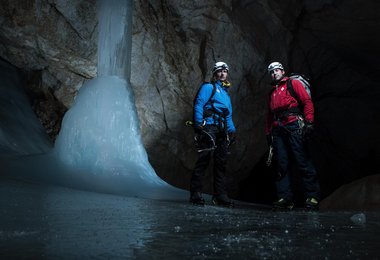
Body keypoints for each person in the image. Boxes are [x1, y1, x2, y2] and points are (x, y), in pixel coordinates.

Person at [265, 61, 320, 210]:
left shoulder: (293, 83)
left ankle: (312, 196)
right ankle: (285, 198)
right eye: (271, 72)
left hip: (294, 124)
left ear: (282, 71)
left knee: (302, 159)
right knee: (282, 163)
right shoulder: (272, 92)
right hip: (278, 128)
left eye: (276, 70)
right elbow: (270, 115)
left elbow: (307, 101)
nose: (274, 73)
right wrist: (268, 133)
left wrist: (309, 122)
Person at [189, 61, 236, 207]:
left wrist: (232, 131)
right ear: (215, 74)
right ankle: (196, 194)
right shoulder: (209, 87)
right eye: (219, 71)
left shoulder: (226, 94)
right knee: (204, 158)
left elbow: (228, 115)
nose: (222, 74)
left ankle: (220, 196)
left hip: (222, 129)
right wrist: (198, 123)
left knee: (221, 163)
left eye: (225, 71)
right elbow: (199, 103)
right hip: (209, 126)